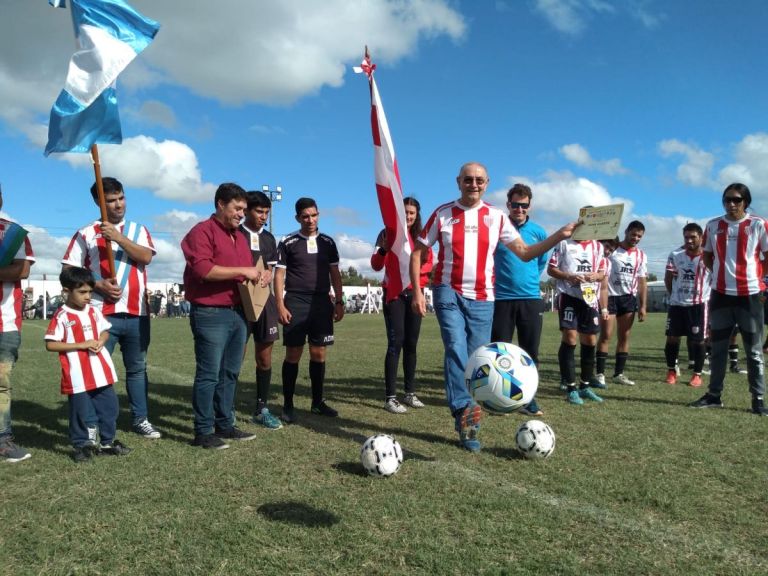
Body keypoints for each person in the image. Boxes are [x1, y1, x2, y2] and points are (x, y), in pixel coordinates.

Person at [410, 162, 576, 452]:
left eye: (479, 180)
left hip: (484, 298)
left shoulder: (497, 216)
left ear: (487, 184)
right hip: (448, 290)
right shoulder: (443, 214)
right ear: (458, 181)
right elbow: (418, 252)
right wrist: (417, 292)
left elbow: (524, 253)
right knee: (455, 347)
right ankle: (463, 411)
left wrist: (558, 236)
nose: (473, 184)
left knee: (478, 358)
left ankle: (471, 420)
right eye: (468, 179)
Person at [62, 177, 161, 439]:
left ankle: (141, 419)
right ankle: (92, 423)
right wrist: (97, 284)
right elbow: (68, 270)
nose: (118, 205)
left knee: (137, 368)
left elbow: (146, 257)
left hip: (136, 313)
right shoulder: (86, 233)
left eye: (121, 198)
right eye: (111, 201)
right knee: (93, 367)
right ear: (98, 203)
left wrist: (117, 237)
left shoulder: (139, 230)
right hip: (98, 314)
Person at [181, 183, 263, 449]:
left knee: (230, 372)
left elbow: (245, 272)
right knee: (209, 374)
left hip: (238, 313)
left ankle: (224, 424)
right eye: (237, 208)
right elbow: (204, 270)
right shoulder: (201, 232)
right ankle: (203, 431)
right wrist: (245, 270)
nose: (242, 214)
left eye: (244, 209)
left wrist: (259, 274)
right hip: (210, 313)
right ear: (220, 204)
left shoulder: (239, 236)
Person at [690, 183, 768, 415]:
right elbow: (707, 256)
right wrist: (721, 276)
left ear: (746, 201)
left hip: (750, 296)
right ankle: (714, 395)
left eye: (736, 199)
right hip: (721, 295)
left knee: (753, 351)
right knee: (718, 349)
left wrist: (757, 279)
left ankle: (758, 399)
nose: (731, 204)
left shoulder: (758, 224)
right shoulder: (713, 226)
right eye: (727, 200)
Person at [45, 267, 131, 462]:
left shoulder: (93, 311)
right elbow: (51, 344)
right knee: (80, 413)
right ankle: (81, 445)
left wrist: (101, 340)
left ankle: (107, 443)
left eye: (90, 292)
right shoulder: (62, 316)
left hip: (101, 372)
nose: (87, 296)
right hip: (77, 375)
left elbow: (105, 330)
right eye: (82, 292)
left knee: (110, 408)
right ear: (66, 292)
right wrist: (81, 345)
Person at [275, 197, 344, 423]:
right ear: (297, 218)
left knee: (319, 352)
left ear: (318, 215)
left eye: (313, 215)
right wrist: (280, 303)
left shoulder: (328, 242)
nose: (310, 220)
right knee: (293, 353)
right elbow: (279, 275)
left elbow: (335, 274)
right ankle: (288, 404)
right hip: (296, 301)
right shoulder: (288, 242)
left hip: (322, 302)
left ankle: (317, 402)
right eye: (305, 216)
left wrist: (339, 301)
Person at [370, 197, 433, 414]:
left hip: (415, 293)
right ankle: (390, 397)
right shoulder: (386, 233)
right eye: (404, 212)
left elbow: (428, 263)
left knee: (412, 344)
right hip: (394, 293)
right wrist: (384, 249)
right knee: (395, 343)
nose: (407, 216)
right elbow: (376, 265)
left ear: (417, 215)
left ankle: (409, 393)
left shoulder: (422, 236)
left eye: (411, 213)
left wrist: (416, 285)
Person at [490, 183, 548, 417]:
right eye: (515, 205)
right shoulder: (498, 229)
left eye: (524, 205)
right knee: (500, 352)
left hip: (531, 299)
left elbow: (541, 261)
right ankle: (499, 398)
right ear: (508, 205)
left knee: (530, 352)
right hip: (502, 299)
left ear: (529, 206)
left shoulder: (539, 231)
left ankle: (528, 398)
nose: (519, 209)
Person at [548, 232, 609, 405]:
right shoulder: (564, 244)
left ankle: (585, 386)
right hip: (569, 296)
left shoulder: (598, 246)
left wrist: (594, 276)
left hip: (589, 298)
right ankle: (571, 387)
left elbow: (602, 273)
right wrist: (569, 276)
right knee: (570, 337)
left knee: (590, 341)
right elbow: (551, 269)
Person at [239, 190, 282, 430]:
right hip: (240, 302)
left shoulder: (269, 239)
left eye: (266, 212)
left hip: (265, 302)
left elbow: (271, 269)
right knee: (236, 356)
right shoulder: (235, 234)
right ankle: (224, 408)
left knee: (264, 357)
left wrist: (267, 273)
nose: (263, 216)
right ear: (246, 211)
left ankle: (261, 407)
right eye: (259, 211)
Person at [0, 190, 35, 463]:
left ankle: (3, 440)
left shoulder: (13, 234)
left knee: (2, 384)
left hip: (5, 323)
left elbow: (21, 269)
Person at [595, 221, 648, 386]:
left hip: (628, 299)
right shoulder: (613, 249)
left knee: (624, 336)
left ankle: (619, 374)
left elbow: (642, 281)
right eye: (633, 234)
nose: (636, 238)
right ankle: (600, 374)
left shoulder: (641, 255)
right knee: (606, 335)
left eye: (639, 236)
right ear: (626, 232)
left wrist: (643, 305)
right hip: (609, 296)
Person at [663, 223, 710, 387]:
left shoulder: (709, 255)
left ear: (701, 237)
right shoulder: (675, 254)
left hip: (698, 305)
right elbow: (668, 278)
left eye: (693, 237)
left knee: (698, 341)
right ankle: (671, 371)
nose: (689, 240)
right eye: (686, 237)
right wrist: (674, 295)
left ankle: (697, 374)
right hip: (677, 304)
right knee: (672, 338)